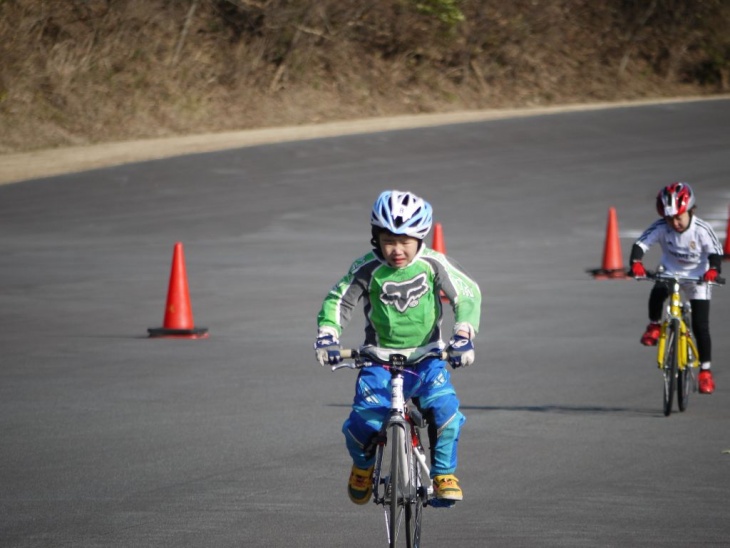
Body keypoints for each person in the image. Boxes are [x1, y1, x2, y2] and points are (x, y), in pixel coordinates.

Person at [314, 189, 482, 505]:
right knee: (365, 420)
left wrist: (463, 335)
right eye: (389, 240)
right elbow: (339, 299)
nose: (397, 250)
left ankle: (443, 473)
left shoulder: (433, 263)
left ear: (421, 238)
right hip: (378, 360)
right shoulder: (366, 267)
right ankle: (363, 467)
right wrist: (328, 334)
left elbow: (467, 294)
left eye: (406, 241)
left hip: (427, 358)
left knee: (445, 410)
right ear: (376, 238)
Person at [629, 182, 723, 394]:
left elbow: (715, 252)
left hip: (698, 276)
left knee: (701, 326)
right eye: (669, 218)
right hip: (670, 271)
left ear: (690, 211)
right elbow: (641, 244)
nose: (674, 223)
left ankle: (705, 372)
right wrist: (636, 263)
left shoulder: (702, 230)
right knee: (657, 290)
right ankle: (654, 325)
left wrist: (713, 270)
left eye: (678, 217)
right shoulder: (661, 227)